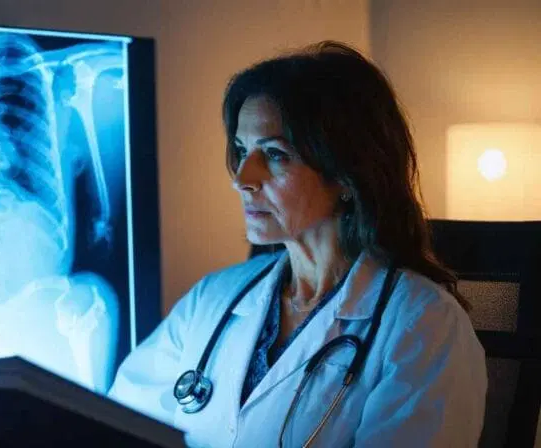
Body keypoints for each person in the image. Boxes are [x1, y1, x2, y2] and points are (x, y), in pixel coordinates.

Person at [106, 40, 487, 447]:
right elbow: (113, 427)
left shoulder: (422, 325)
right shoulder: (214, 299)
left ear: (347, 174)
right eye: (241, 150)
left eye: (274, 154)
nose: (242, 178)